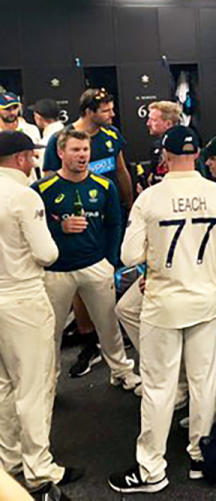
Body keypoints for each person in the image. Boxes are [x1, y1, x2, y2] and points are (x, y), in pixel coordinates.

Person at [108, 126, 216, 494]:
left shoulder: (151, 198)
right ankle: (200, 455)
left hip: (164, 305)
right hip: (206, 303)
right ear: (197, 155)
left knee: (160, 387)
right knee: (202, 381)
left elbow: (129, 256)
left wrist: (156, 254)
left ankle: (151, 470)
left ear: (165, 155)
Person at [0, 131, 84, 497]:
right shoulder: (23, 195)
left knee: (3, 385)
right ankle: (39, 469)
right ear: (20, 158)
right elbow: (47, 253)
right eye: (31, 157)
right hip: (22, 297)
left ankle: (9, 460)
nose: (35, 161)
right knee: (34, 387)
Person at [33, 129, 139, 390]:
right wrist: (60, 229)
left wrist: (110, 260)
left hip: (96, 266)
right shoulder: (41, 189)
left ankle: (121, 370)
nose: (82, 156)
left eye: (85, 150)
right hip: (56, 271)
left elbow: (114, 224)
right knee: (50, 332)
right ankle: (49, 383)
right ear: (60, 153)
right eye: (75, 150)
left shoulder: (104, 185)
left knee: (108, 324)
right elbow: (32, 230)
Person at [43, 88, 133, 211]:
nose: (112, 114)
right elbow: (50, 179)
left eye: (112, 109)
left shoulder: (112, 134)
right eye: (106, 111)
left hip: (110, 206)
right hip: (78, 209)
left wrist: (129, 204)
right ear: (89, 112)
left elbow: (121, 171)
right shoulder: (59, 139)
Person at [1, 92, 42, 180]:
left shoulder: (31, 129)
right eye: (7, 109)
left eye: (15, 107)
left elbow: (39, 158)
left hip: (29, 180)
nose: (12, 112)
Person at [143, 101, 182, 189]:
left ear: (168, 124)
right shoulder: (156, 147)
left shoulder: (184, 148)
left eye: (153, 120)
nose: (148, 123)